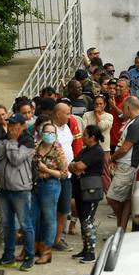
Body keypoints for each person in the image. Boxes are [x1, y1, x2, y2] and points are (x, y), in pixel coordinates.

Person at [0, 114, 36, 271]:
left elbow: (16, 159)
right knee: (7, 224)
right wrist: (7, 142)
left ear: (22, 126)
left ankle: (29, 258)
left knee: (26, 225)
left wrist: (10, 142)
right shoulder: (4, 138)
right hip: (4, 189)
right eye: (9, 125)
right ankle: (8, 257)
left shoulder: (28, 142)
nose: (11, 128)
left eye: (15, 125)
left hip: (21, 190)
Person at [108, 97, 139, 230]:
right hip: (128, 166)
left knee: (112, 198)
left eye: (123, 109)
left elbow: (125, 148)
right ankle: (121, 228)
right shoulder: (135, 121)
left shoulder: (137, 123)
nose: (122, 111)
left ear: (128, 108)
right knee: (126, 201)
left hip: (127, 167)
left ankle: (121, 223)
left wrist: (112, 157)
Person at [68, 125, 106, 264]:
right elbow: (72, 165)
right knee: (83, 220)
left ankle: (91, 253)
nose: (82, 137)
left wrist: (77, 167)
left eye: (84, 135)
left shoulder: (96, 151)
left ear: (92, 138)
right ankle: (85, 249)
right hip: (80, 189)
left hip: (90, 190)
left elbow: (78, 166)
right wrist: (76, 166)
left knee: (87, 222)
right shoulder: (86, 150)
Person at [31, 122, 66, 264]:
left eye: (53, 133)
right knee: (34, 217)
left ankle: (46, 251)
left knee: (49, 218)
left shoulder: (57, 149)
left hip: (50, 185)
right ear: (41, 132)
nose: (49, 135)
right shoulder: (36, 146)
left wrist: (46, 170)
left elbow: (64, 173)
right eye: (47, 132)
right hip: (35, 185)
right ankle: (33, 247)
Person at [52, 102, 82, 252]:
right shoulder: (50, 129)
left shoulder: (67, 127)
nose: (69, 116)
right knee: (51, 209)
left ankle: (57, 239)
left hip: (67, 175)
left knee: (64, 209)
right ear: (58, 114)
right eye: (67, 113)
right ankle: (48, 239)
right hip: (53, 177)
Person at [82, 95, 113, 192]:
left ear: (104, 105)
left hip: (104, 149)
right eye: (96, 104)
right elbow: (85, 130)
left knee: (105, 173)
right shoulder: (87, 115)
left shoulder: (109, 116)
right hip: (88, 148)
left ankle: (108, 194)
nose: (98, 106)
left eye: (100, 104)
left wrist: (97, 116)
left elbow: (101, 127)